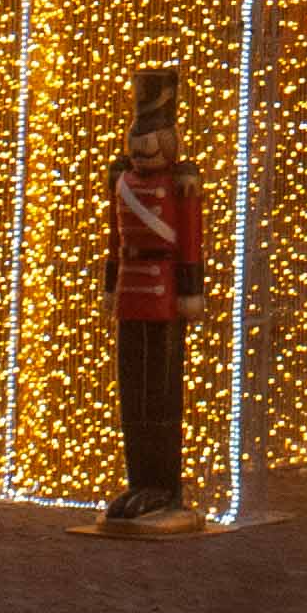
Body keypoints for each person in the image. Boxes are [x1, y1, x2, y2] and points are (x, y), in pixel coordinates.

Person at [102, 66, 207, 525]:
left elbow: (190, 239)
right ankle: (138, 481)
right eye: (137, 133)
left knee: (160, 390)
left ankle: (163, 487)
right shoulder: (123, 181)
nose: (142, 145)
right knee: (132, 390)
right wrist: (110, 285)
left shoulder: (179, 186)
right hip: (132, 289)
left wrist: (190, 290)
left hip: (162, 293)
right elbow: (113, 237)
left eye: (153, 133)